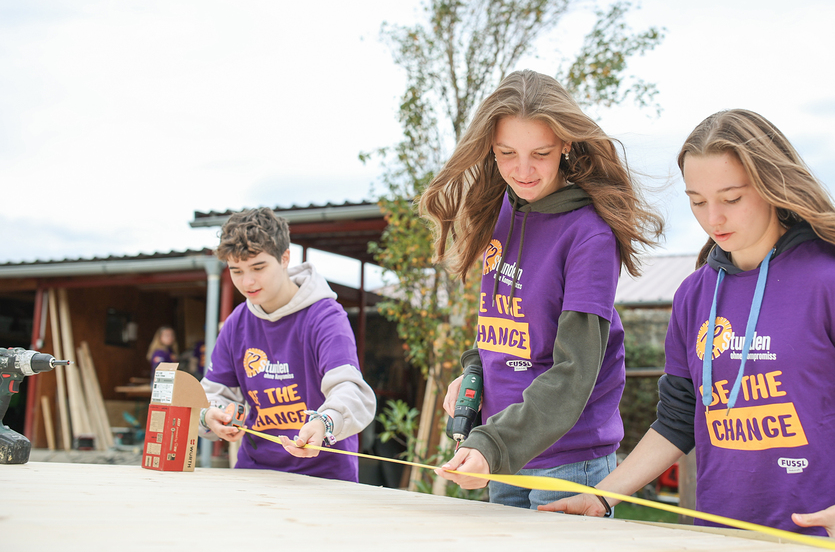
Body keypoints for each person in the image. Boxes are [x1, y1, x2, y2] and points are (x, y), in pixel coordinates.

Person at [540, 109, 835, 540]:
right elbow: (678, 420)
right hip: (724, 542)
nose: (713, 219)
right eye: (697, 201)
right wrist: (601, 497)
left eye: (731, 199)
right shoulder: (694, 296)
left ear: (772, 187)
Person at [420, 70, 664, 509]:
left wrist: (493, 442)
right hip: (504, 453)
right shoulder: (501, 212)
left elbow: (574, 371)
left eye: (540, 153)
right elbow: (506, 324)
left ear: (566, 144)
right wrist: (476, 371)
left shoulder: (589, 236)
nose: (523, 170)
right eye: (506, 153)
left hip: (567, 463)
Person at [199, 207, 377, 481]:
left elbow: (351, 391)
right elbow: (214, 394)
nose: (247, 282)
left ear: (285, 257)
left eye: (258, 268)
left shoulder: (325, 317)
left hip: (325, 478)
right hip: (254, 474)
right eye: (236, 271)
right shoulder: (237, 322)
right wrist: (211, 414)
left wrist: (325, 422)